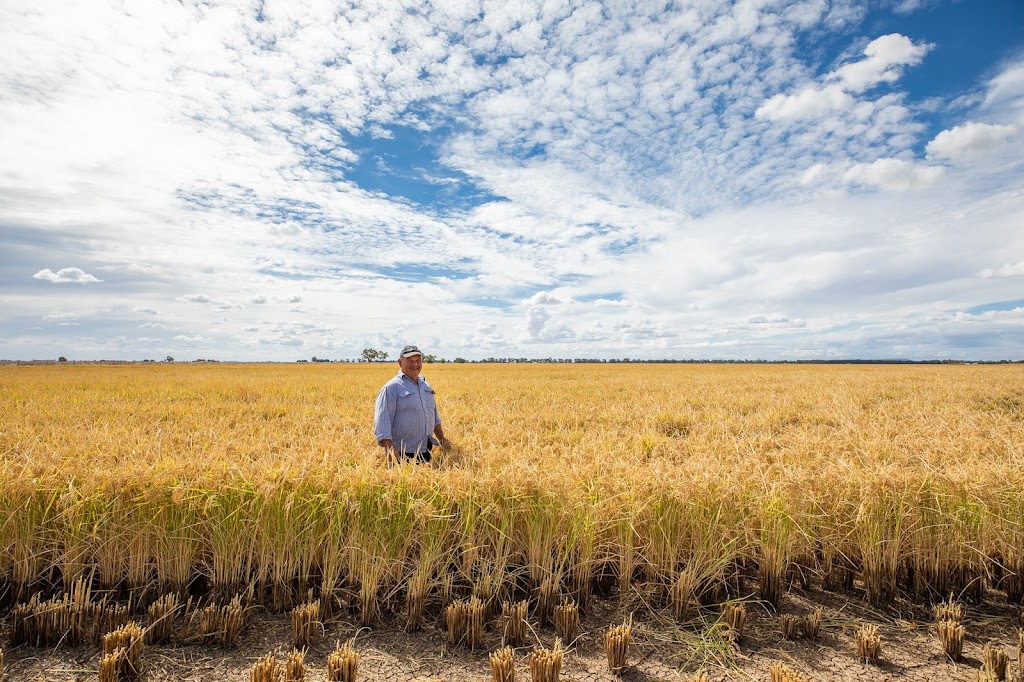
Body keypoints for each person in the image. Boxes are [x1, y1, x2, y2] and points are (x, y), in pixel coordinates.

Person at [373, 345, 450, 464]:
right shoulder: (391, 388)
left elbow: (433, 415)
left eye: (418, 360)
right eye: (410, 360)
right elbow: (382, 419)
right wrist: (389, 447)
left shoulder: (425, 385)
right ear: (400, 362)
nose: (415, 364)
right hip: (402, 453)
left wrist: (442, 439)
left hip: (425, 450)